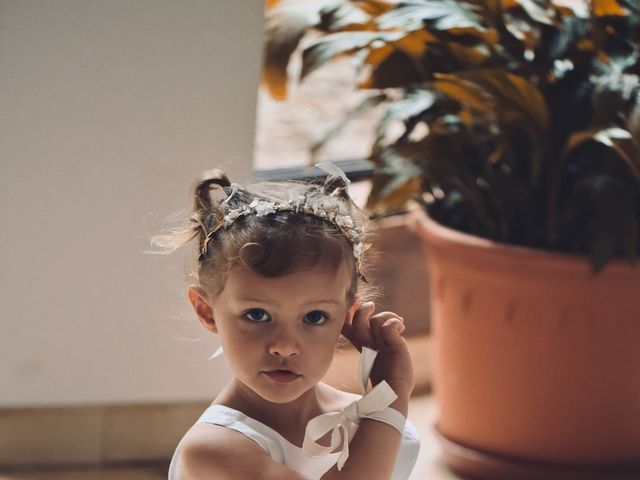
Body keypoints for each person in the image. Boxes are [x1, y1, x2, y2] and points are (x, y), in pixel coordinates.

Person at [155, 164, 420, 480]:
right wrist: (392, 396)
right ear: (207, 311)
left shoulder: (359, 413)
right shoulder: (213, 450)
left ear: (347, 318)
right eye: (257, 315)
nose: (285, 345)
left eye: (314, 317)